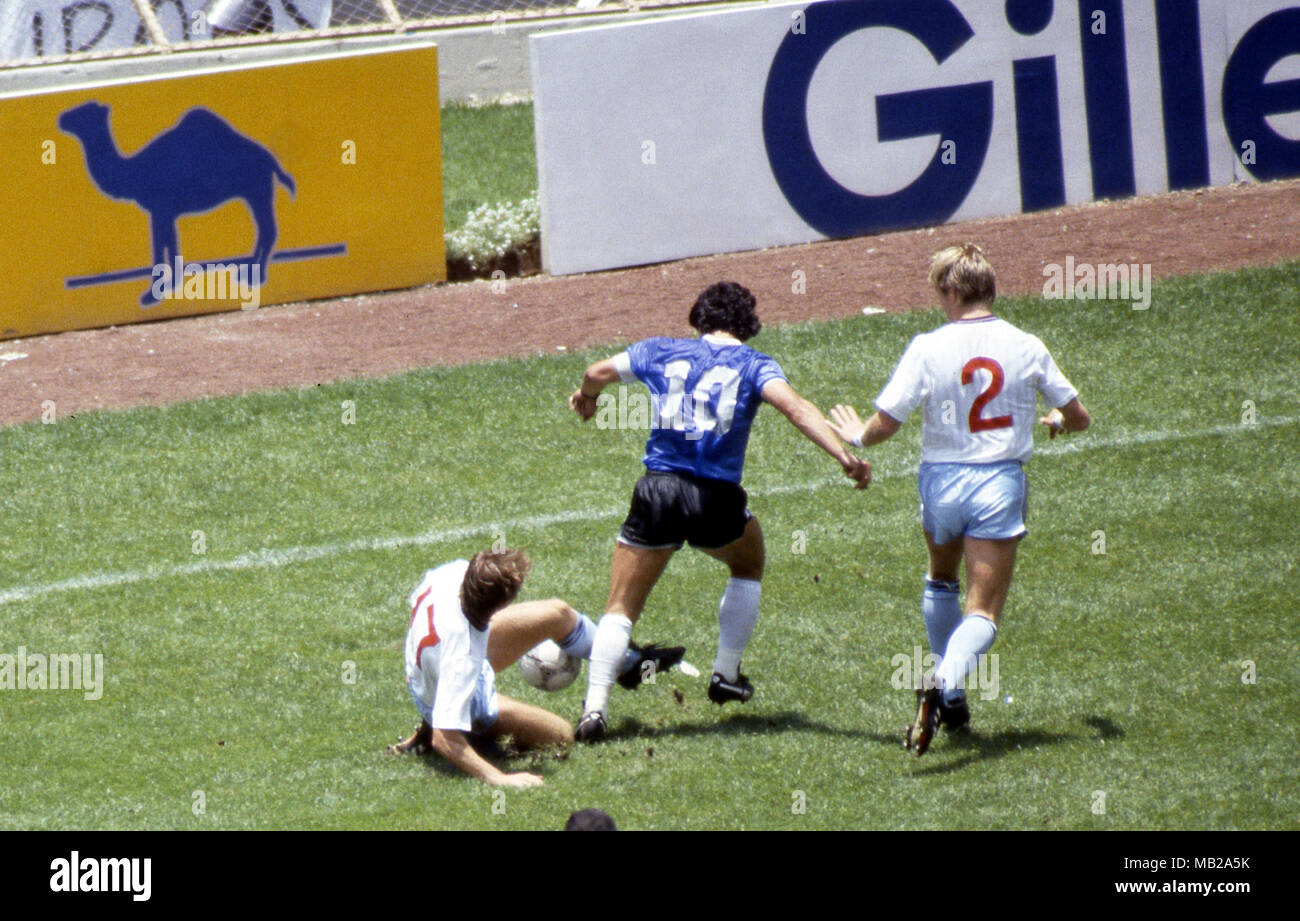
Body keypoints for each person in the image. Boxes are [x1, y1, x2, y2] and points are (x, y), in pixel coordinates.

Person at [568, 281, 872, 742]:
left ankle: (594, 711)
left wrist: (587, 398)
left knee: (621, 607)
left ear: (698, 319)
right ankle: (726, 674)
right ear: (747, 325)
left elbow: (596, 372)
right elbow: (796, 409)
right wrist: (844, 455)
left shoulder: (659, 350)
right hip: (715, 497)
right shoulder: (754, 365)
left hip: (659, 491)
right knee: (748, 563)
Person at [826, 244, 1090, 756]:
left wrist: (857, 436)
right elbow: (1078, 415)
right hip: (997, 483)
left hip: (940, 483)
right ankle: (944, 680)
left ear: (951, 289)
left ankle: (954, 698)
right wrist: (1057, 420)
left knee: (940, 577)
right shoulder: (1025, 343)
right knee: (984, 612)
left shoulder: (927, 346)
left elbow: (889, 421)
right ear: (989, 288)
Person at [387, 548, 683, 784]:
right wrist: (501, 779)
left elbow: (419, 618)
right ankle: (477, 738)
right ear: (501, 607)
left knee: (559, 614)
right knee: (560, 736)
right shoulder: (462, 658)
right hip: (460, 696)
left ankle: (628, 664)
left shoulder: (449, 574)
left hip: (431, 668)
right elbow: (444, 737)